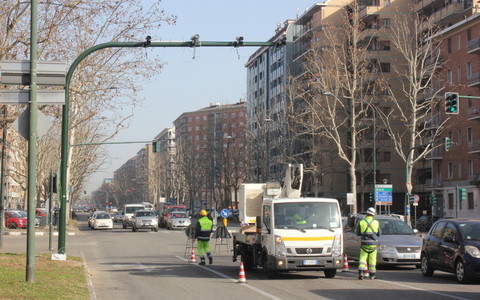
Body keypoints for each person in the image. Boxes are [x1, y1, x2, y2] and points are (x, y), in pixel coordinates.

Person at [355, 207, 380, 280]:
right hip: (373, 245)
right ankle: (372, 275)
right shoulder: (376, 222)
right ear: (373, 215)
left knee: (362, 258)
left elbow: (358, 233)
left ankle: (361, 273)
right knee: (372, 259)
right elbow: (379, 234)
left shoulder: (361, 222)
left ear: (366, 214)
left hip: (364, 243)